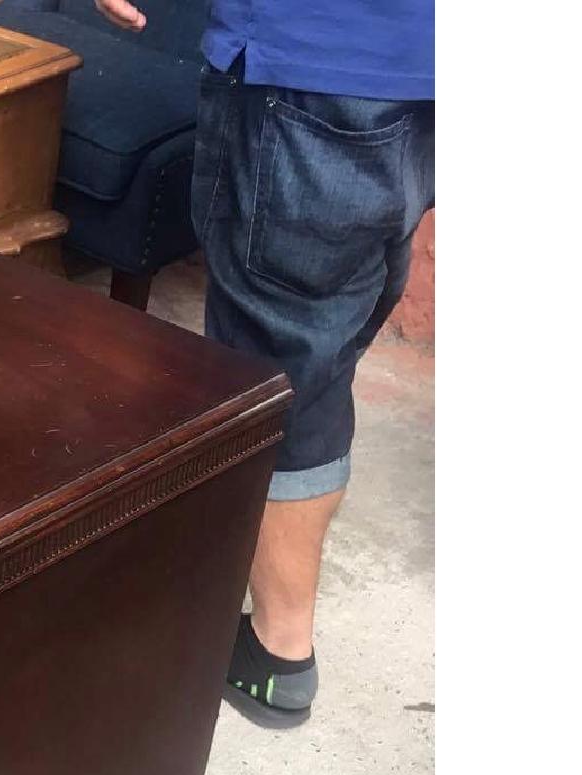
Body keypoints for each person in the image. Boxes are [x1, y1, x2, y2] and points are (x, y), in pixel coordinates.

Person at [96, 0, 435, 727]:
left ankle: (278, 653)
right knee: (325, 342)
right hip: (421, 65)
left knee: (280, 369)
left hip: (316, 67)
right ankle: (252, 583)